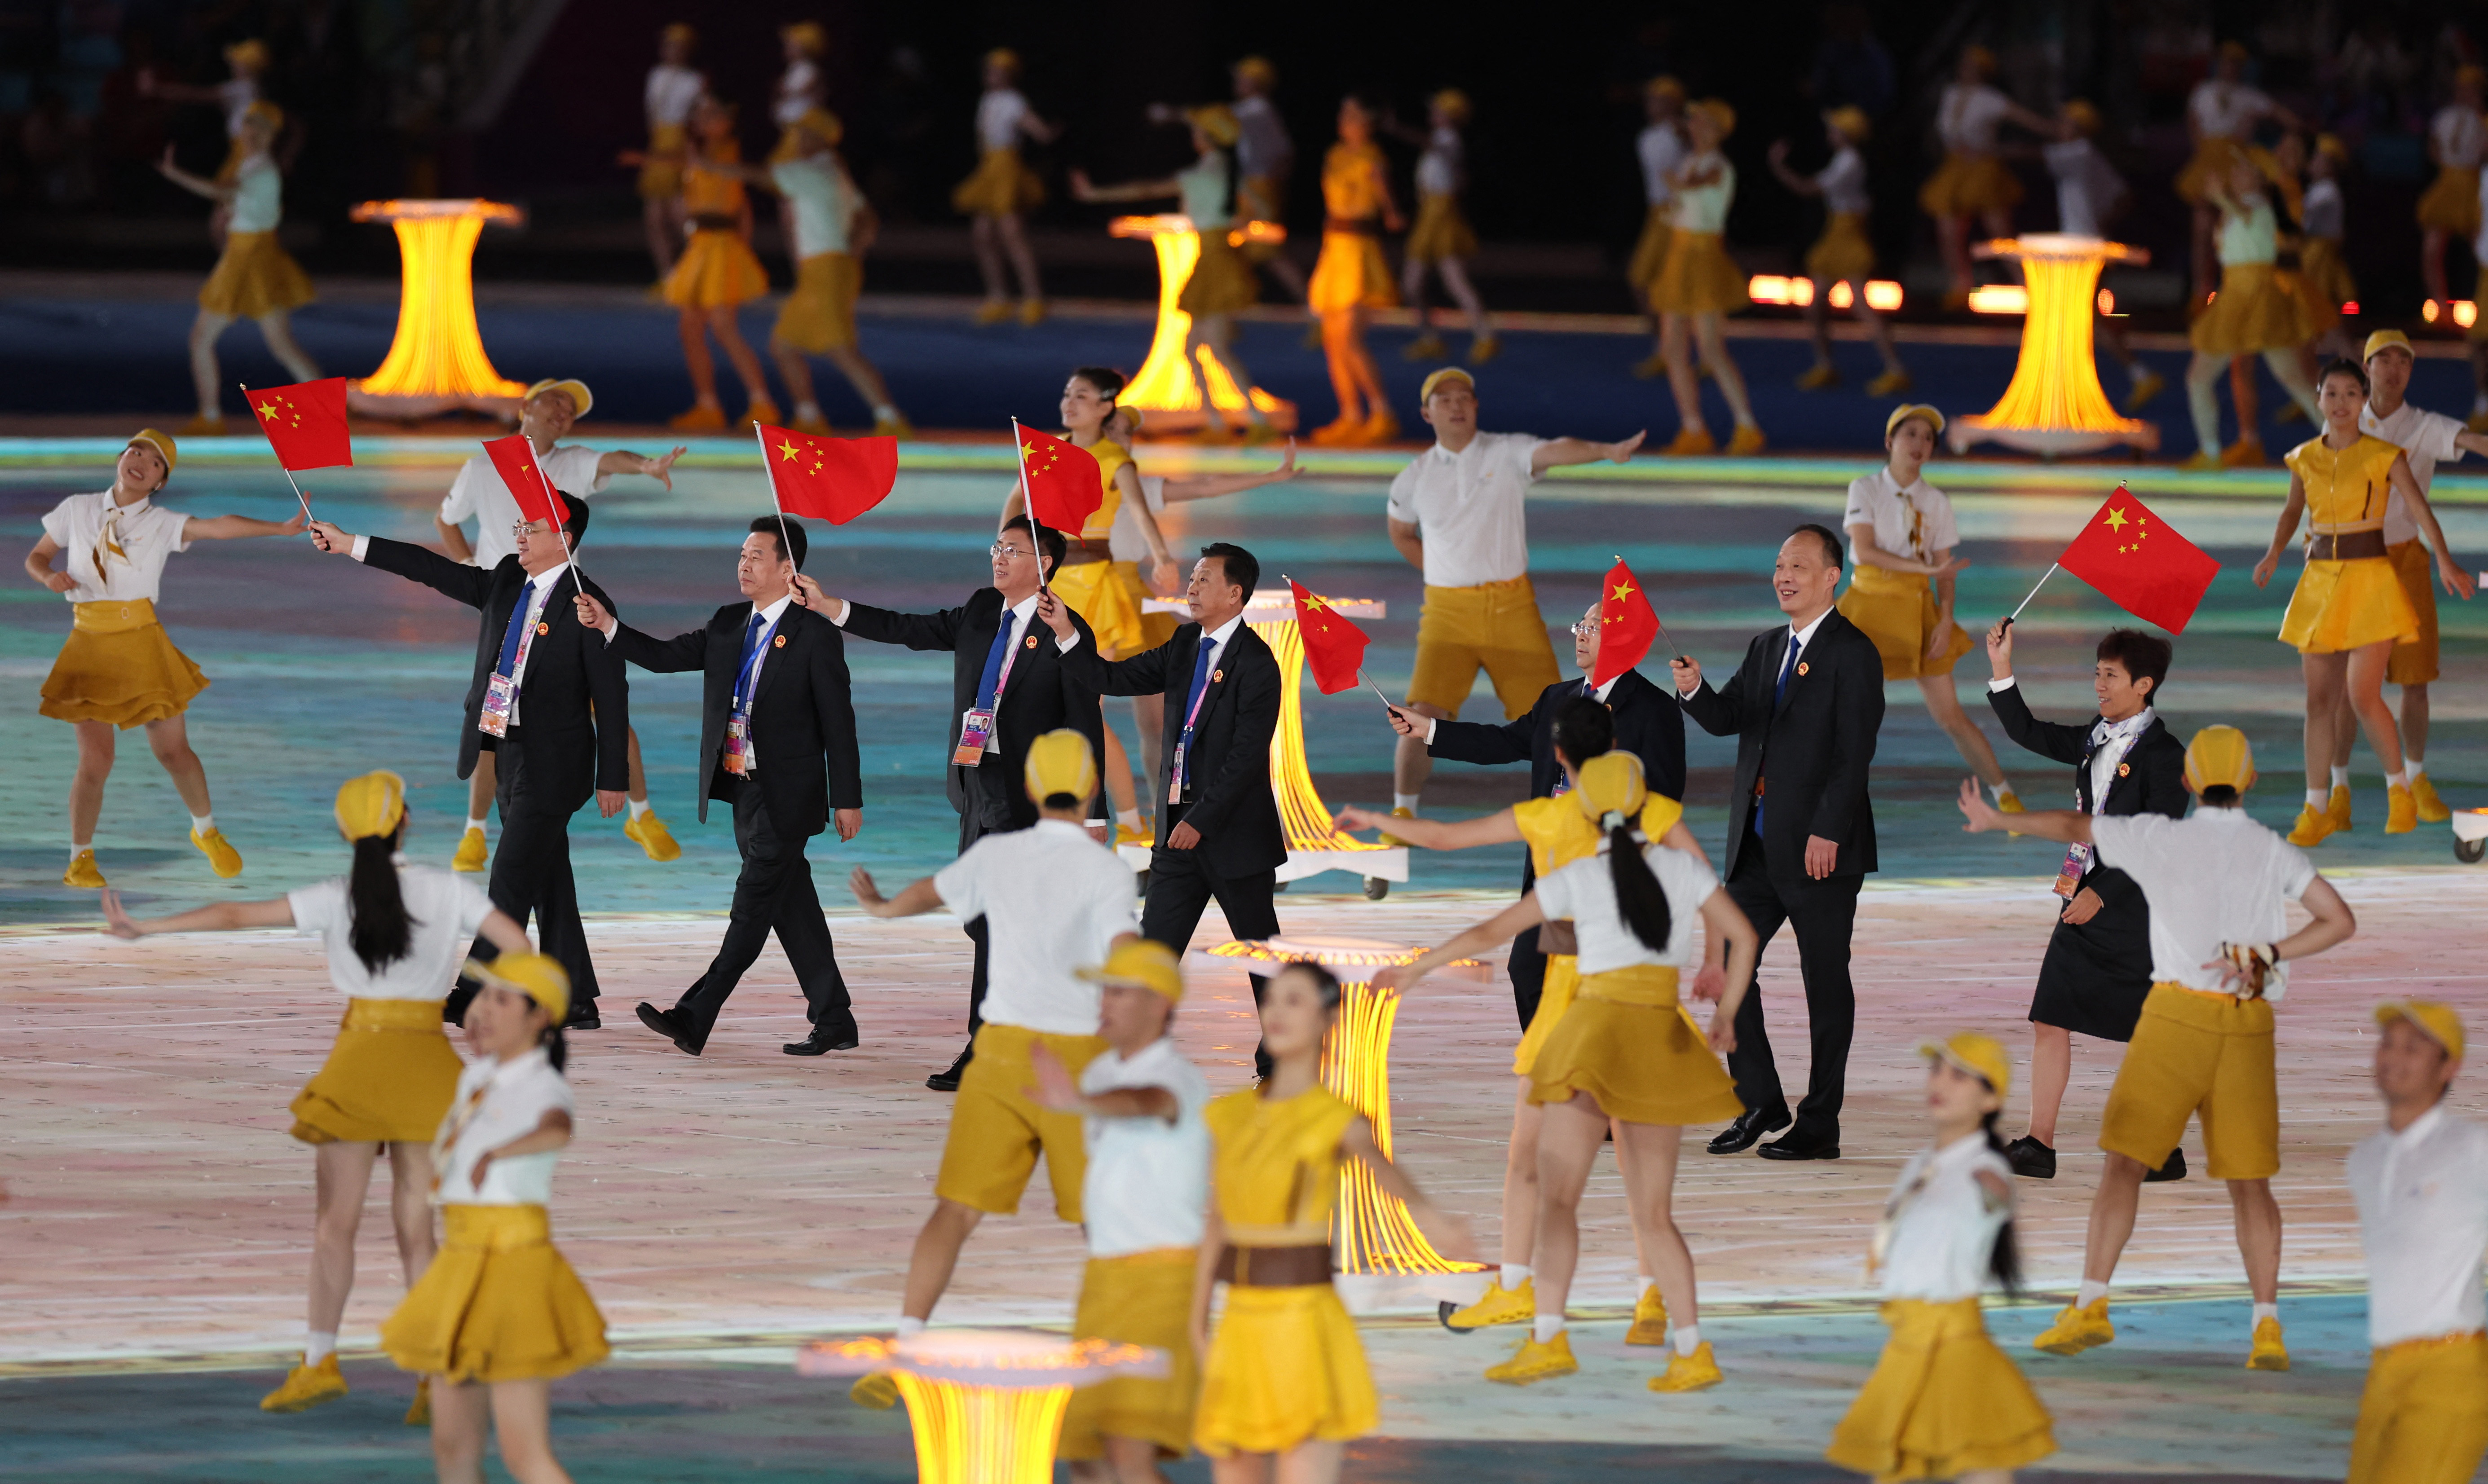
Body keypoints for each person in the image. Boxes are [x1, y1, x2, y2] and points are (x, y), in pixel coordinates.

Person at [101, 771, 530, 1418]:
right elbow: (519, 944)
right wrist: (487, 1008)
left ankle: (320, 1362)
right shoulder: (447, 890)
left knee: (335, 1226)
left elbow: (235, 914)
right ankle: (433, 1374)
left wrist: (147, 927)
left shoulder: (337, 896)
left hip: (358, 1064)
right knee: (419, 1230)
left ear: (343, 831)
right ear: (405, 821)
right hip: (426, 1068)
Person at [1960, 726, 2354, 1369]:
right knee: (2252, 1186)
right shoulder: (2272, 851)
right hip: (2248, 1026)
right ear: (2251, 781)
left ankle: (2090, 1304)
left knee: (2123, 1167)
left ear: (2189, 783)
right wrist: (2273, 953)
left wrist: (1997, 816)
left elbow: (2073, 821)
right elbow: (2340, 920)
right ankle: (2267, 1326)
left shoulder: (2163, 838)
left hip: (2174, 1019)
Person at [1379, 753, 1753, 1391]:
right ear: (1644, 806)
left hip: (1591, 1036)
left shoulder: (1581, 874)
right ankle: (1692, 1350)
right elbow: (1742, 936)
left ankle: (1549, 1338)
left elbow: (1491, 931)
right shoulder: (1684, 869)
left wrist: (1418, 968)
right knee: (1655, 1213)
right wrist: (1727, 1014)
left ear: (1586, 804)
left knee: (1556, 1200)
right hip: (1660, 1038)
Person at [845, 731, 1138, 1403]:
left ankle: (907, 1345)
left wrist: (883, 907)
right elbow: (1123, 944)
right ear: (1091, 789)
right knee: (1103, 1219)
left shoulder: (999, 853)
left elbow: (932, 890)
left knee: (953, 1212)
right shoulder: (1106, 870)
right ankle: (1117, 1351)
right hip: (1077, 1064)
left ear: (1031, 788)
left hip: (1001, 1054)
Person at [810, 519, 1108, 1089]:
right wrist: (832, 607)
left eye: (1012, 551)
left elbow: (1085, 721)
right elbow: (911, 628)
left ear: (1044, 563)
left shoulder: (1065, 630)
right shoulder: (979, 609)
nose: (998, 558)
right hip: (975, 781)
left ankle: (985, 1048)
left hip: (1026, 798)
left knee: (993, 918)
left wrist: (1092, 812)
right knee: (983, 918)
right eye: (997, 547)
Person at [308, 502, 628, 1030]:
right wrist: (350, 544)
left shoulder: (590, 605)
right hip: (508, 751)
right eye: (520, 525)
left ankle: (471, 988)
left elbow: (612, 694)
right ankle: (574, 996)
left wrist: (613, 775)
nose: (520, 534)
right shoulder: (505, 578)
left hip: (557, 762)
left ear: (566, 540)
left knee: (509, 876)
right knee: (545, 875)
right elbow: (429, 568)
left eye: (534, 528)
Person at [576, 517, 864, 1058]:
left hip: (790, 794)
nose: (744, 564)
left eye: (757, 555)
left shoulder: (815, 634)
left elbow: (838, 722)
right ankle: (834, 1018)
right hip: (742, 787)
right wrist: (610, 626)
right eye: (741, 554)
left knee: (752, 905)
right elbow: (664, 657)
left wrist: (846, 796)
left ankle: (693, 1014)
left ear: (788, 568)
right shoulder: (730, 624)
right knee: (791, 906)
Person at [1191, 962, 1473, 1479]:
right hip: (1239, 1322)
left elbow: (1382, 1169)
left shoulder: (1334, 1117)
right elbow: (1217, 1224)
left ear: (1328, 1019)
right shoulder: (1228, 1116)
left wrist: (1434, 1220)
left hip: (1303, 1321)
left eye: (1294, 1000)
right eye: (1273, 999)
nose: (1276, 1011)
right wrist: (1194, 1321)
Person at [1673, 525, 1885, 1160]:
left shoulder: (1855, 652)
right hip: (1758, 847)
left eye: (1798, 565)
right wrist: (1694, 693)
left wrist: (1828, 828)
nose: (1784, 575)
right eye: (1779, 565)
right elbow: (1730, 718)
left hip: (1821, 851)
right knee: (1733, 964)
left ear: (1831, 577)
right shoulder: (1767, 647)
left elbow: (1855, 753)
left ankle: (1821, 1123)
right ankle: (1761, 1099)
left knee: (1825, 983)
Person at [1042, 543, 1288, 1076]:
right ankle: (1126, 1047)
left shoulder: (1257, 664)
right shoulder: (1182, 643)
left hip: (1232, 838)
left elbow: (1247, 758)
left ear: (1234, 594)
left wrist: (1201, 820)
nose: (1192, 588)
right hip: (1176, 835)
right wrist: (1066, 631)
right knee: (1152, 950)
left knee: (1259, 951)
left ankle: (1282, 1048)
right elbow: (1112, 677)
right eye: (1193, 578)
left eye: (1203, 579)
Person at [28, 430, 305, 888]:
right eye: (136, 451)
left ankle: (207, 831)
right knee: (95, 760)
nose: (141, 461)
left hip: (142, 642)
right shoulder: (76, 508)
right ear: (121, 457)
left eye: (155, 462)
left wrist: (277, 528)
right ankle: (80, 857)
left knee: (174, 750)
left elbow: (217, 526)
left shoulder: (161, 523)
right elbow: (38, 555)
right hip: (89, 643)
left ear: (159, 482)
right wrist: (47, 577)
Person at [429, 379, 685, 872]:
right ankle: (475, 833)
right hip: (507, 611)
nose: (564, 412)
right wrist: (471, 570)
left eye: (572, 410)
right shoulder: (483, 467)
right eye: (557, 401)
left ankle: (641, 812)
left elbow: (612, 459)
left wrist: (647, 466)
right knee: (494, 718)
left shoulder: (571, 463)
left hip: (565, 607)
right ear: (527, 406)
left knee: (604, 703)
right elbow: (445, 519)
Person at [1386, 612, 1689, 1028]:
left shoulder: (1654, 708)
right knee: (1528, 972)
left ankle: (1586, 1075)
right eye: (1579, 626)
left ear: (1622, 636)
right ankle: (1556, 1070)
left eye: (1593, 628)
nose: (1581, 635)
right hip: (1553, 865)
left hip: (1614, 872)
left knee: (1599, 985)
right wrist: (1431, 730)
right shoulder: (1557, 699)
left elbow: (1666, 794)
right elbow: (1507, 741)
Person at [1383, 368, 1646, 829]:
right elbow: (1400, 533)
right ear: (1426, 413)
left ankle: (1586, 808)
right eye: (1443, 399)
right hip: (1446, 612)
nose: (1456, 404)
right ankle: (1403, 814)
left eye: (1464, 396)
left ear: (1476, 406)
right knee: (1421, 714)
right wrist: (1442, 570)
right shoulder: (1411, 479)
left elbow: (1555, 447)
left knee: (1558, 718)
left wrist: (1604, 451)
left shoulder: (1504, 452)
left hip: (1512, 607)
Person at [382, 952, 607, 1484]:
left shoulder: (543, 1086)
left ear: (539, 1018)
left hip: (513, 1270)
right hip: (462, 1264)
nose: (482, 1009)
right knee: (452, 1447)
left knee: (524, 1453)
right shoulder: (477, 1078)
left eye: (501, 999)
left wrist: (500, 1152)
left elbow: (557, 1128)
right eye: (483, 995)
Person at [1983, 624, 2189, 1181]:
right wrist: (2002, 668)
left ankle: (2162, 1146)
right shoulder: (2095, 736)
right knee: (2049, 1015)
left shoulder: (2166, 755)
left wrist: (2102, 892)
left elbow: (2159, 835)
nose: (2098, 684)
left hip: (2134, 907)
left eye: (2110, 676)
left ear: (2143, 685)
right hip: (2081, 893)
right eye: (2096, 672)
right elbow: (2026, 731)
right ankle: (2038, 1144)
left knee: (2145, 1030)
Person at [2254, 357, 2472, 845]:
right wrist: (2272, 553)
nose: (2340, 403)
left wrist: (2443, 560)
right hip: (2318, 584)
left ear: (2362, 400)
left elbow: (2419, 508)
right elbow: (2293, 509)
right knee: (2318, 701)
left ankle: (2398, 789)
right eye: (2330, 393)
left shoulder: (2383, 454)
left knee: (2361, 693)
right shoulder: (2304, 457)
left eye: (2350, 393)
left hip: (2370, 583)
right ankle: (2317, 807)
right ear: (2318, 400)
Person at [1824, 1034, 2054, 1482]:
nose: (1940, 1082)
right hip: (1907, 1342)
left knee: (1976, 1469)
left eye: (1959, 1075)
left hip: (1953, 1345)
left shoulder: (1987, 1172)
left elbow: (1996, 1199)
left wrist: (1997, 1193)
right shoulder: (1920, 1164)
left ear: (1989, 1097)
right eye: (1937, 1070)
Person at [1031, 939, 1211, 1483]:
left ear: (1159, 1004)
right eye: (1103, 989)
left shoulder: (1178, 1077)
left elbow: (1149, 1102)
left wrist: (1078, 1104)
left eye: (1119, 991)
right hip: (1104, 1278)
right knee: (1085, 1453)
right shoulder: (1099, 1071)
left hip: (1163, 1280)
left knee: (1129, 1450)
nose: (1103, 1001)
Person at [999, 367, 1182, 838]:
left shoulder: (1113, 457)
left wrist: (1162, 558)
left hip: (1095, 589)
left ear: (1105, 406)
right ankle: (1118, 818)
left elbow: (1141, 513)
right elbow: (1017, 499)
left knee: (1086, 707)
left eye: (1081, 396)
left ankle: (1129, 820)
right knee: (1065, 709)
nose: (1069, 402)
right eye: (1066, 393)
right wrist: (1006, 552)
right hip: (1052, 584)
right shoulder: (1044, 450)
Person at [1836, 405, 2018, 808]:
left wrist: (1945, 618)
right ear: (1889, 442)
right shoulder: (1864, 488)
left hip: (1918, 611)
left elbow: (1946, 569)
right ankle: (1829, 799)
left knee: (1951, 715)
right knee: (1849, 713)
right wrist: (1926, 569)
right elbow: (1865, 551)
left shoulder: (1936, 501)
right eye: (1910, 434)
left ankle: (2004, 796)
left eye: (1928, 438)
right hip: (1867, 610)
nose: (1919, 444)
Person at [2342, 329, 2488, 828]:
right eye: (2383, 359)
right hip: (2350, 561)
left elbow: (2468, 440)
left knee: (2414, 678)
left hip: (2405, 560)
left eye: (2402, 361)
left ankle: (2416, 776)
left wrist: (2442, 559)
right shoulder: (2342, 423)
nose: (2393, 368)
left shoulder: (2423, 426)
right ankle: (2334, 788)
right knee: (2345, 684)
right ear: (2367, 368)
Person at [2344, 1000, 2488, 1484]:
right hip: (2383, 1370)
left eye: (2413, 1047)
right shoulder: (2362, 1158)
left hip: (2448, 1372)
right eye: (2387, 1043)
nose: (2392, 1056)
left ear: (2448, 1067)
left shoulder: (2471, 1150)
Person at [1072, 107, 1277, 441]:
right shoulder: (1230, 173)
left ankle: (1256, 421)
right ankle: (1216, 423)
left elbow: (1144, 190)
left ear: (1205, 140)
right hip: (1220, 257)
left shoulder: (1200, 177)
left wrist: (1095, 194)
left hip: (1214, 262)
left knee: (1216, 348)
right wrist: (1234, 227)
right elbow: (1264, 211)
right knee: (1194, 347)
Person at [154, 101, 321, 436]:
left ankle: (213, 417)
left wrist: (176, 175)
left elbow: (220, 191)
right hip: (248, 256)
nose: (249, 131)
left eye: (257, 126)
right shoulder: (253, 166)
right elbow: (233, 200)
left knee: (210, 340)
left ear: (268, 135)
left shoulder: (261, 170)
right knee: (274, 344)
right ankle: (212, 416)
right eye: (248, 124)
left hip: (250, 259)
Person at [759, 106, 912, 438]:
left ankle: (891, 419)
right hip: (827, 266)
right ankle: (810, 417)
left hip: (826, 267)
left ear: (817, 138)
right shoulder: (833, 171)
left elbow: (758, 176)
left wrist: (704, 165)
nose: (796, 139)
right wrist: (854, 247)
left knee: (840, 348)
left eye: (802, 133)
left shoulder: (813, 171)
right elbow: (868, 217)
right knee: (783, 345)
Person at [2182, 152, 2323, 469]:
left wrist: (2220, 197)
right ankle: (2211, 452)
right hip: (2238, 295)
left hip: (2255, 297)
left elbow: (2244, 214)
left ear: (2261, 180)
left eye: (2247, 169)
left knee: (2290, 379)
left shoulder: (2259, 206)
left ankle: (2212, 452)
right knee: (2289, 379)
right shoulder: (2235, 211)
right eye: (2237, 168)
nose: (2238, 172)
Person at [1771, 107, 1910, 396]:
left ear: (1846, 135)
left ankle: (1896, 370)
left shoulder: (1848, 162)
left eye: (1835, 130)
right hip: (1838, 232)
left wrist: (1778, 166)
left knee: (1861, 305)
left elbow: (1807, 188)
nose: (1830, 134)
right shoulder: (1843, 159)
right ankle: (1826, 366)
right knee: (1814, 304)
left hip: (1847, 235)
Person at [1655, 99, 1765, 456]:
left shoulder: (1718, 165)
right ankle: (1693, 428)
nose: (1693, 125)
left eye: (1701, 121)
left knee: (1711, 349)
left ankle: (1747, 426)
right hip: (1680, 255)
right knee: (1672, 348)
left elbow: (1695, 184)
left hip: (1703, 259)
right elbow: (1683, 197)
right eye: (1692, 120)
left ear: (1717, 129)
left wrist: (1675, 186)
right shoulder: (1691, 161)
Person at [662, 95, 779, 434]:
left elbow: (740, 205)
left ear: (729, 120)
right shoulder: (698, 155)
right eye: (700, 115)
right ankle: (708, 405)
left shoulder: (728, 151)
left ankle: (762, 403)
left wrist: (739, 249)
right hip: (701, 245)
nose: (704, 121)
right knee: (690, 328)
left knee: (724, 327)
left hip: (722, 246)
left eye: (713, 114)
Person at [2044, 100, 2165, 414]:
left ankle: (2139, 374)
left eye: (2065, 122)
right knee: (2078, 318)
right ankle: (2132, 376)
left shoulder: (2079, 152)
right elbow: (2124, 196)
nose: (2059, 126)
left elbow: (2030, 153)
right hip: (2089, 243)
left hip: (2081, 248)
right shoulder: (2092, 157)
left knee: (2081, 319)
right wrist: (2102, 223)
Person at [1921, 46, 2051, 310]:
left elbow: (2027, 120)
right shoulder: (1951, 93)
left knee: (2000, 234)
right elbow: (1945, 130)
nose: (1966, 69)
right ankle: (1960, 285)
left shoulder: (1991, 99)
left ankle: (2028, 287)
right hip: (1955, 168)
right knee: (1948, 230)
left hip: (1983, 168)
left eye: (1973, 66)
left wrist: (2056, 131)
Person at [1304, 95, 1403, 445]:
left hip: (1359, 251)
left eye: (1354, 117)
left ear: (1367, 124)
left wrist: (1392, 211)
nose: (1346, 123)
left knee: (1350, 338)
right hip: (1335, 248)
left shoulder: (1373, 157)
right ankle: (1350, 415)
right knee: (1333, 340)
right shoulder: (1335, 154)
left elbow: (1385, 197)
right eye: (1344, 116)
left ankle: (1382, 412)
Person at [2177, 41, 2296, 308]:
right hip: (2209, 157)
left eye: (2236, 63)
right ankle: (2201, 291)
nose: (2230, 67)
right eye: (2226, 61)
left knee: (2233, 223)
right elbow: (2193, 124)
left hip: (2235, 159)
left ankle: (2231, 288)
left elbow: (2283, 116)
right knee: (2203, 226)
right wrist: (2204, 155)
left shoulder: (2249, 95)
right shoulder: (2203, 90)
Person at [1392, 89, 1497, 366]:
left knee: (1454, 280)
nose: (1432, 113)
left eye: (1438, 110)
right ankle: (1431, 338)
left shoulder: (1448, 138)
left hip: (1440, 215)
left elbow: (1428, 144)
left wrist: (1396, 128)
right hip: (1430, 213)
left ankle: (1485, 336)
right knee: (1412, 284)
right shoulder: (1445, 140)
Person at [955, 48, 1058, 326]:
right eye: (989, 71)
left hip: (1006, 168)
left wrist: (1045, 131)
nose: (991, 75)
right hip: (989, 167)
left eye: (997, 71)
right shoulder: (987, 100)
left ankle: (1034, 297)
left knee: (1013, 234)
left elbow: (1032, 126)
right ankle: (999, 297)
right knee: (982, 235)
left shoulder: (1013, 100)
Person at [620, 23, 703, 281]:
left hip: (678, 142)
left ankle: (694, 266)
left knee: (680, 211)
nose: (670, 50)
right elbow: (651, 113)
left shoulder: (694, 81)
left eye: (676, 46)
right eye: (667, 45)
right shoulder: (655, 75)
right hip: (659, 142)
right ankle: (666, 271)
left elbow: (696, 119)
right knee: (655, 213)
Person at [1226, 57, 1309, 309]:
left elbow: (1215, 119)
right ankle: (1235, 304)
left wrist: (1174, 114)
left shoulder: (1258, 110)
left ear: (1255, 82)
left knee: (1269, 252)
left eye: (1243, 77)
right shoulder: (1256, 110)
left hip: (1257, 187)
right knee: (1235, 246)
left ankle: (1311, 305)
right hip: (1251, 186)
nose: (1237, 82)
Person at [1629, 78, 1689, 379]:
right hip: (1658, 212)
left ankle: (1681, 351)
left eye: (1657, 99)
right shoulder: (1649, 136)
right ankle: (1666, 348)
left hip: (1678, 213)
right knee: (1643, 278)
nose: (1650, 104)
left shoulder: (1682, 133)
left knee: (1675, 286)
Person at [2418, 66, 2485, 318]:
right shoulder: (2444, 117)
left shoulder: (2483, 121)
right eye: (2462, 89)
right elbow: (2434, 149)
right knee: (2432, 250)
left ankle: (2481, 304)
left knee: (2481, 250)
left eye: (2472, 89)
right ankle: (2439, 305)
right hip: (2447, 185)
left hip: (2473, 187)